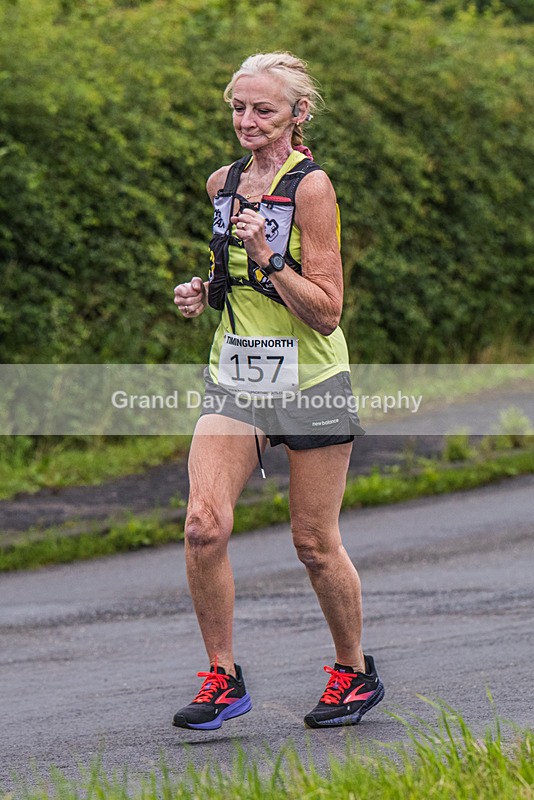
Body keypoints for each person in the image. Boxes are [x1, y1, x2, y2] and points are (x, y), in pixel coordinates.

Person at [172, 52, 384, 731]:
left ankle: (353, 672)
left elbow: (326, 310)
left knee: (314, 542)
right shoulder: (222, 183)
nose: (247, 121)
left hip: (310, 379)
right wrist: (203, 292)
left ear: (298, 114)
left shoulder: (311, 187)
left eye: (263, 109)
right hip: (235, 378)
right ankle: (222, 677)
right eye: (239, 107)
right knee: (204, 528)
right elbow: (236, 279)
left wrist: (269, 257)